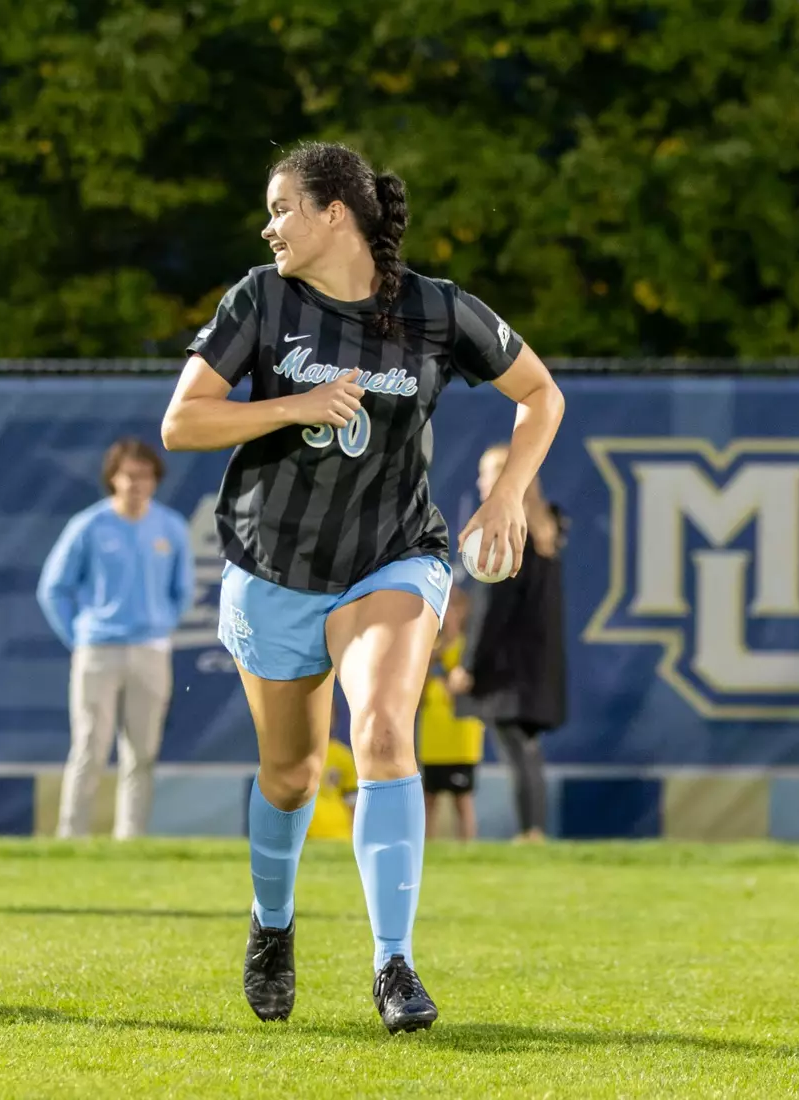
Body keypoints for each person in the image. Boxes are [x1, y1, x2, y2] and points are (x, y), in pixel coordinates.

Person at [160, 140, 564, 1033]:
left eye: (281, 208)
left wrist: (504, 496)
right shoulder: (260, 300)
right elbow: (181, 421)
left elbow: (541, 395)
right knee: (293, 774)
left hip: (395, 554)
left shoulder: (433, 309)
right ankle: (272, 926)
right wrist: (291, 405)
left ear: (333, 213)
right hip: (274, 568)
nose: (270, 226)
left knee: (383, 730)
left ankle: (394, 965)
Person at [37, 438, 194, 839]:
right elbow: (53, 588)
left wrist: (159, 626)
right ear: (113, 479)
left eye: (144, 476)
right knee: (90, 746)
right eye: (128, 475)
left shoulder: (171, 527)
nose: (136, 484)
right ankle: (71, 836)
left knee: (142, 752)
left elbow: (183, 592)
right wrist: (79, 636)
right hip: (98, 649)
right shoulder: (89, 526)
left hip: (151, 651)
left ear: (155, 481)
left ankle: (130, 838)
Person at [450, 444, 568, 843]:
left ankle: (530, 831)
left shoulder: (502, 528)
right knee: (526, 748)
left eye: (487, 473)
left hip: (505, 666)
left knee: (516, 747)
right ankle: (533, 827)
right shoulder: (544, 527)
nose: (481, 482)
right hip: (536, 660)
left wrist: (469, 662)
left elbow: (490, 607)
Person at [419, 587, 484, 842]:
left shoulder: (469, 648)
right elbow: (418, 694)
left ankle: (468, 851)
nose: (450, 615)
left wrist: (450, 643)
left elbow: (466, 684)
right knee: (429, 798)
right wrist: (435, 653)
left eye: (455, 608)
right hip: (432, 735)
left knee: (462, 798)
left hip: (461, 734)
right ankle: (425, 853)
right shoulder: (428, 648)